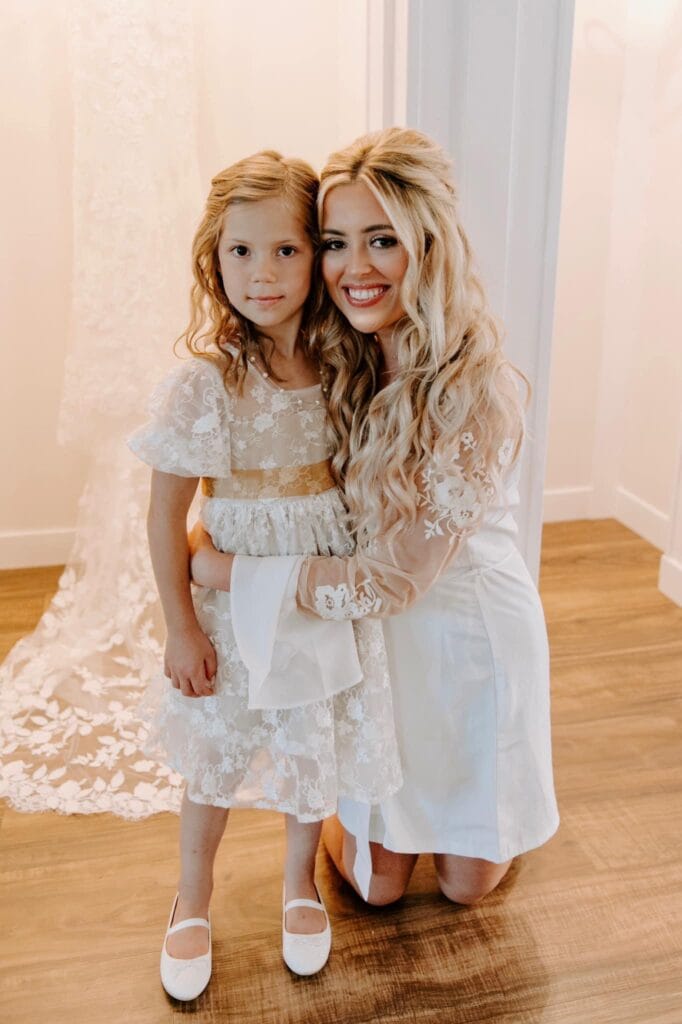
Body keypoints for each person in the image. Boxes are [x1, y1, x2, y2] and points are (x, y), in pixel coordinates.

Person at [189, 127, 560, 911]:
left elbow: (390, 582)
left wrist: (227, 573)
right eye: (333, 243)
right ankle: (359, 820)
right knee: (375, 888)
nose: (354, 269)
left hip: (464, 642)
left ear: (427, 245)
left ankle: (476, 827)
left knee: (466, 890)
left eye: (381, 240)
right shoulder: (338, 355)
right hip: (370, 642)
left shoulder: (479, 391)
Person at [128, 150, 401, 999]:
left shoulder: (345, 364)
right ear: (215, 260)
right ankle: (193, 894)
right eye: (240, 253)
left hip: (315, 587)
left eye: (286, 249)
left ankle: (298, 885)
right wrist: (179, 625)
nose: (263, 273)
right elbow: (163, 517)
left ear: (315, 257)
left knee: (305, 737)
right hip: (229, 597)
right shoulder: (206, 383)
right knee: (218, 749)